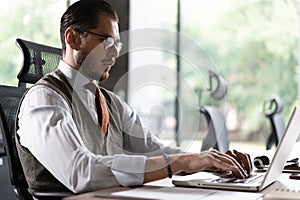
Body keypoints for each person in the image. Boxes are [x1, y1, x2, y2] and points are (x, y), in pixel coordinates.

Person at [16, 0, 252, 194]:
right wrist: (181, 163)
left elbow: (154, 150)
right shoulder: (45, 100)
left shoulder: (112, 104)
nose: (115, 53)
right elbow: (81, 172)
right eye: (106, 41)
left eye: (117, 45)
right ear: (73, 38)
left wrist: (205, 161)